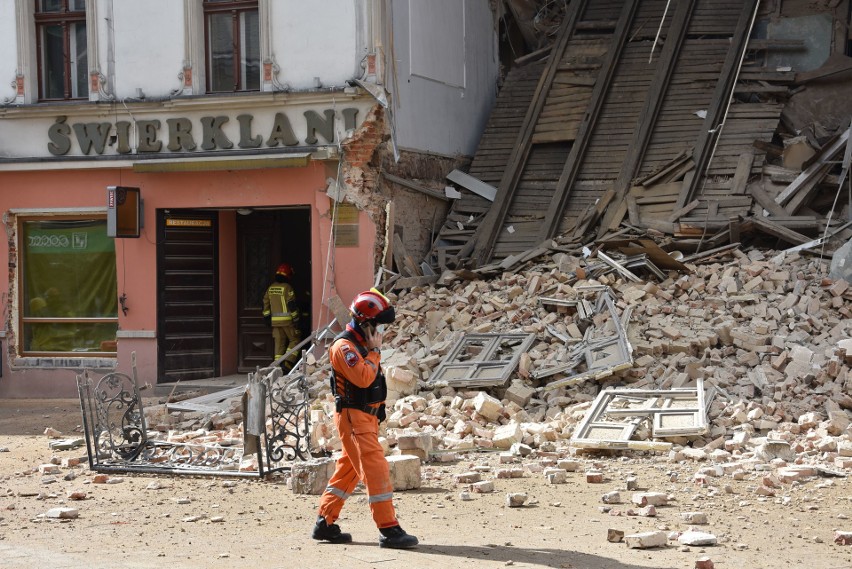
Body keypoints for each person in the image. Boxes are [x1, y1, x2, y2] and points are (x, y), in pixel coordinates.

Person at [312, 288, 418, 549]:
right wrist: (375, 352)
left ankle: (325, 524)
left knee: (348, 470)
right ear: (365, 324)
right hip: (353, 417)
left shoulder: (362, 346)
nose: (379, 331)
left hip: (364, 418)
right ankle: (389, 529)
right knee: (375, 469)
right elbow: (363, 377)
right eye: (377, 325)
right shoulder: (344, 347)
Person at [262, 263, 302, 372]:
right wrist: (296, 319)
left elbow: (265, 303)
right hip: (287, 321)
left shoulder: (271, 288)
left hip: (275, 322)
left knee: (279, 344)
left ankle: (277, 367)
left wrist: (266, 318)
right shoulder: (287, 287)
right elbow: (291, 305)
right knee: (295, 339)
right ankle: (288, 363)